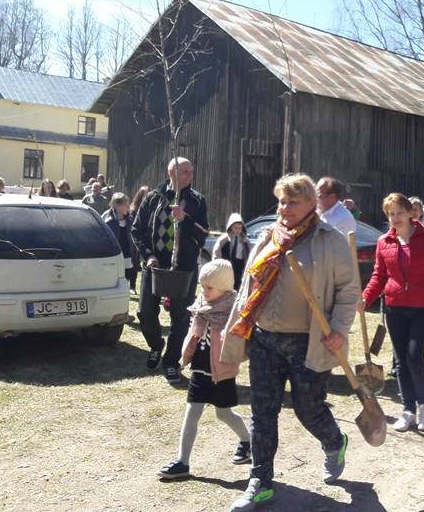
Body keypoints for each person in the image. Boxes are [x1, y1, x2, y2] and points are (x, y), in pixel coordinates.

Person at [221, 173, 357, 511]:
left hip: (308, 341)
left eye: (292, 201)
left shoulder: (331, 240)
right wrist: (236, 323)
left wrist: (340, 328)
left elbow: (348, 291)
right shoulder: (269, 237)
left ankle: (334, 440)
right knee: (262, 412)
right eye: (281, 201)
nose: (284, 207)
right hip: (265, 338)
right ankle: (261, 481)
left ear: (312, 203)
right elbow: (249, 286)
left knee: (308, 409)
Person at [360, 193, 424, 432]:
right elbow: (379, 276)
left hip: (422, 308)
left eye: (399, 213)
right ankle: (408, 410)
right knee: (401, 363)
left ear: (410, 213)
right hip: (395, 307)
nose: (395, 218)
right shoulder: (384, 242)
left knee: (414, 357)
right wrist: (366, 297)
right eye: (390, 214)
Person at [158, 259, 251, 480]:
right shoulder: (201, 305)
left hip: (222, 371)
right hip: (200, 368)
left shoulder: (233, 309)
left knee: (223, 413)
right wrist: (185, 356)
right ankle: (183, 462)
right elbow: (193, 332)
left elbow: (240, 339)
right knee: (191, 414)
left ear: (224, 287)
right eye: (203, 286)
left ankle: (248, 442)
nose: (205, 291)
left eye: (210, 287)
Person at [131, 157, 209, 384]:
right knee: (146, 312)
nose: (190, 176)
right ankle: (156, 345)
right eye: (185, 172)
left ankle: (171, 362)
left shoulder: (197, 201)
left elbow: (203, 234)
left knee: (181, 317)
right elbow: (137, 231)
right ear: (172, 172)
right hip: (155, 266)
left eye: (191, 172)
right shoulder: (153, 198)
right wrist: (149, 255)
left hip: (183, 268)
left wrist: (185, 219)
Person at [102, 193, 138, 290]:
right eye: (125, 205)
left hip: (128, 256)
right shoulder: (108, 221)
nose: (128, 207)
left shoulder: (131, 220)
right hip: (115, 257)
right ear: (117, 206)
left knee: (126, 277)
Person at [213, 213, 252, 291]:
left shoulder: (245, 240)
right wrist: (217, 266)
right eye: (236, 228)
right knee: (227, 285)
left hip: (240, 266)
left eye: (240, 228)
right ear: (230, 227)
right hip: (227, 266)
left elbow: (251, 253)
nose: (238, 230)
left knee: (238, 285)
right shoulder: (224, 240)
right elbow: (216, 253)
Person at [127, 185, 151, 293]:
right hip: (136, 239)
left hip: (147, 239)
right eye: (145, 194)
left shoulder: (151, 209)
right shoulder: (134, 210)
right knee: (134, 261)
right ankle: (132, 286)